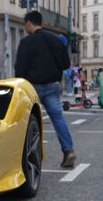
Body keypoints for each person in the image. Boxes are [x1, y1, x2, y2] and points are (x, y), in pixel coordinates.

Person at [15, 10, 76, 168]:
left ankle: (26, 157)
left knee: (27, 120)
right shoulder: (56, 41)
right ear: (41, 23)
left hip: (32, 87)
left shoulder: (27, 42)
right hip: (52, 86)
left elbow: (20, 69)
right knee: (57, 118)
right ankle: (68, 151)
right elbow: (65, 65)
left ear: (29, 23)